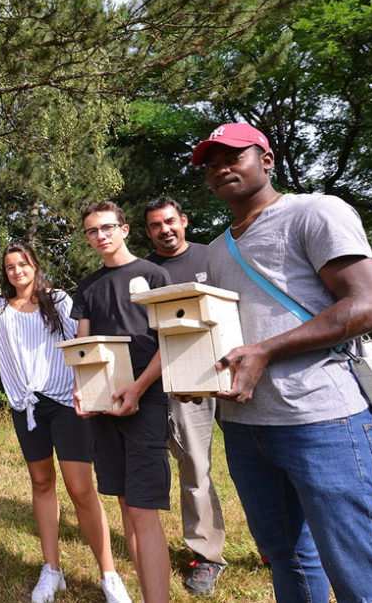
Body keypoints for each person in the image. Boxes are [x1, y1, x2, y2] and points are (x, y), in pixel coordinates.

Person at [194, 123, 372, 602]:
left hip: (321, 421)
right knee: (289, 561)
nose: (221, 168)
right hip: (244, 427)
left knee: (362, 575)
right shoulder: (215, 250)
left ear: (267, 160)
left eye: (233, 156)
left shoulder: (315, 212)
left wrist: (267, 351)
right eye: (211, 164)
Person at [0, 243, 132, 603]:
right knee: (41, 482)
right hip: (25, 407)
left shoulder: (59, 300)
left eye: (23, 264)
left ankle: (108, 573)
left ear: (34, 265)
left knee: (80, 488)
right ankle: (52, 569)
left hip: (65, 403)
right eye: (10, 267)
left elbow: (81, 344)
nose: (17, 271)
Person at [70, 200, 172, 603]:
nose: (101, 236)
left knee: (144, 509)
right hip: (103, 407)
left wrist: (140, 388)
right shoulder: (89, 286)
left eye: (107, 227)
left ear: (125, 229)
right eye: (93, 231)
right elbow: (82, 349)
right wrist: (83, 391)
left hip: (145, 402)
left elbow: (171, 340)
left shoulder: (153, 274)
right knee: (128, 505)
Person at [142, 197, 228, 595]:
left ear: (184, 221)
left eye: (170, 221)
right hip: (181, 381)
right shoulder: (145, 273)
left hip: (230, 369)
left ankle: (276, 544)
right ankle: (206, 555)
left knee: (258, 460)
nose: (165, 230)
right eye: (156, 225)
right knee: (194, 465)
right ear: (147, 232)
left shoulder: (214, 256)